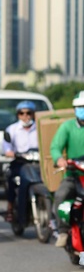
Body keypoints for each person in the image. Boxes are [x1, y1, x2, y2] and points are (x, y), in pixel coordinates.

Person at [51, 91, 84, 247]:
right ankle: (63, 231)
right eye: (80, 107)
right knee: (60, 195)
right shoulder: (67, 127)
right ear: (75, 109)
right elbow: (56, 146)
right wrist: (60, 159)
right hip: (74, 175)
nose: (83, 109)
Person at [0, 101, 39, 223]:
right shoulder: (12, 130)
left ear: (33, 114)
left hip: (37, 163)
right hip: (20, 163)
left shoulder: (39, 128)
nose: (25, 116)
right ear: (18, 115)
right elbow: (7, 147)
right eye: (22, 113)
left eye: (29, 113)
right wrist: (10, 152)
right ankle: (10, 209)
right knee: (11, 178)